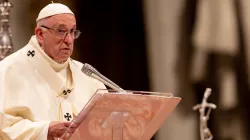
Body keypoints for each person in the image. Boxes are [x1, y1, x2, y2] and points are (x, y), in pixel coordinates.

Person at [0, 2, 106, 140]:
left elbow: (107, 122)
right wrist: (45, 130)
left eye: (73, 32)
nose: (68, 40)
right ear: (40, 34)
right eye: (61, 31)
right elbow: (4, 126)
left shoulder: (87, 74)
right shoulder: (9, 69)